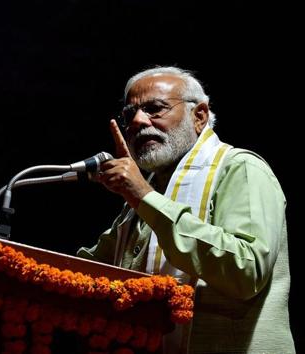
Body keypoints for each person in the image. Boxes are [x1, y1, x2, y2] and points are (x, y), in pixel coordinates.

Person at [76, 66, 294, 353]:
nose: (139, 121)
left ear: (199, 116)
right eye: (130, 115)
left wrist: (144, 196)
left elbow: (246, 270)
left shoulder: (241, 168)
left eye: (155, 109)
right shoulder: (147, 192)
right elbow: (91, 272)